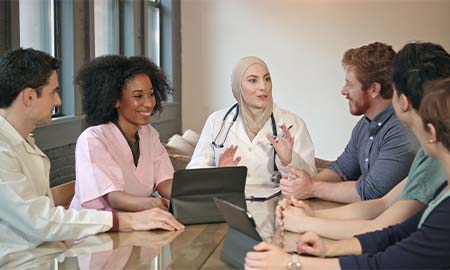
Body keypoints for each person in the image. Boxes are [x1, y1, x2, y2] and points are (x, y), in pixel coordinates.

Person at [245, 77, 450, 270]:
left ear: (431, 133)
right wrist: (329, 248)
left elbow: (382, 264)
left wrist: (290, 262)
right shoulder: (443, 191)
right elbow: (396, 233)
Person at [0, 48, 183, 260]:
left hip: (51, 254)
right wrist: (128, 220)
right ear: (29, 96)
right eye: (53, 92)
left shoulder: (23, 144)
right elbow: (40, 220)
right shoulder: (4, 151)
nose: (58, 102)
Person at [277, 42, 450, 239]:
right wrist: (309, 207)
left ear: (403, 101)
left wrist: (308, 213)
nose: (343, 91)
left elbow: (375, 206)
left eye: (349, 84)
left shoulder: (411, 140)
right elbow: (379, 202)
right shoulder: (422, 152)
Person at [280, 42, 418, 203]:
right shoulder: (365, 124)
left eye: (350, 84)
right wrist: (304, 183)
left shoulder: (402, 131)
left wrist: (311, 187)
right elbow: (341, 169)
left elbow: (370, 192)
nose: (343, 91)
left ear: (374, 89)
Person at [187, 56, 316, 186]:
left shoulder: (293, 124)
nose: (263, 86)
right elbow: (192, 177)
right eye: (253, 80)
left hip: (280, 204)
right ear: (238, 86)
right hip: (229, 203)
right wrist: (219, 174)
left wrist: (289, 161)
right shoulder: (217, 121)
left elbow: (312, 179)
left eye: (267, 79)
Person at [70, 55, 175, 212]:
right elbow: (114, 198)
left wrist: (192, 198)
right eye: (138, 96)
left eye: (151, 94)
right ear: (115, 100)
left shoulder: (149, 134)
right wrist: (152, 204)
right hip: (98, 231)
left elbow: (165, 181)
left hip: (138, 223)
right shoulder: (93, 139)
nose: (148, 103)